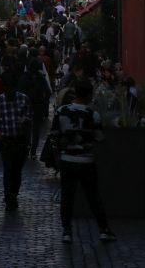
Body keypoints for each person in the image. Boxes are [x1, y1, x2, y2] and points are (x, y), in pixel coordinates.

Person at [52, 77, 116, 244]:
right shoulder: (92, 114)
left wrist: (59, 152)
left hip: (67, 159)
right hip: (86, 160)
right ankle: (103, 229)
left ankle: (66, 231)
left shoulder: (61, 111)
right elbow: (99, 137)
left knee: (67, 197)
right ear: (89, 95)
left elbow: (55, 135)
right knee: (93, 196)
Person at [0, 71, 32, 211]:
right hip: (6, 140)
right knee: (8, 169)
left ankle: (13, 193)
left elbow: (29, 116)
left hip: (20, 140)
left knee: (17, 170)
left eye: (11, 88)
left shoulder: (23, 99)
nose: (9, 91)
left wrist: (25, 120)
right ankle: (9, 196)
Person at [17, 58, 50, 158]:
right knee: (36, 129)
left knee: (25, 128)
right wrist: (44, 103)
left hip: (26, 106)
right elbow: (48, 91)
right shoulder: (41, 77)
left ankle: (26, 148)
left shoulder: (24, 77)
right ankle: (33, 151)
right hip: (38, 106)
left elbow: (19, 92)